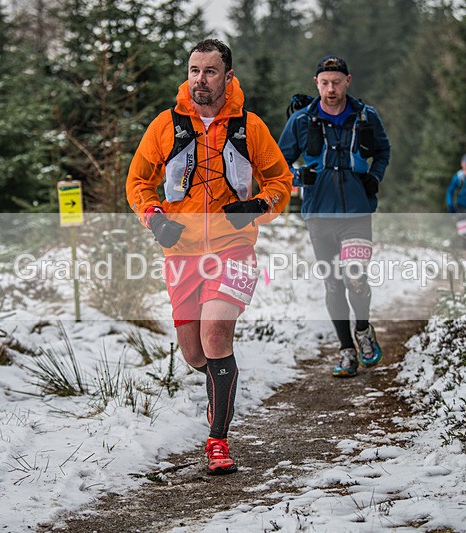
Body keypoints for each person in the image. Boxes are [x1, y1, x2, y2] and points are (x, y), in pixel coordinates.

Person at [126, 39, 292, 475]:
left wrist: (256, 206)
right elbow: (138, 182)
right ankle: (221, 383)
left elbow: (281, 182)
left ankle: (218, 440)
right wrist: (153, 217)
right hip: (181, 252)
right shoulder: (166, 125)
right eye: (194, 70)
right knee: (195, 353)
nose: (200, 79)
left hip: (232, 248)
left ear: (228, 76)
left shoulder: (249, 127)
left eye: (210, 71)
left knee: (216, 335)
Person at [278, 55, 391, 378]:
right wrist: (298, 177)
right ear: (317, 83)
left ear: (347, 81)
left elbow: (383, 150)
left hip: (356, 211)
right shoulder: (301, 120)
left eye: (337, 83)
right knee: (333, 283)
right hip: (318, 215)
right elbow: (277, 162)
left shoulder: (366, 116)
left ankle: (363, 330)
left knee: (356, 277)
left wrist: (375, 177)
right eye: (325, 83)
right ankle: (346, 350)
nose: (331, 89)